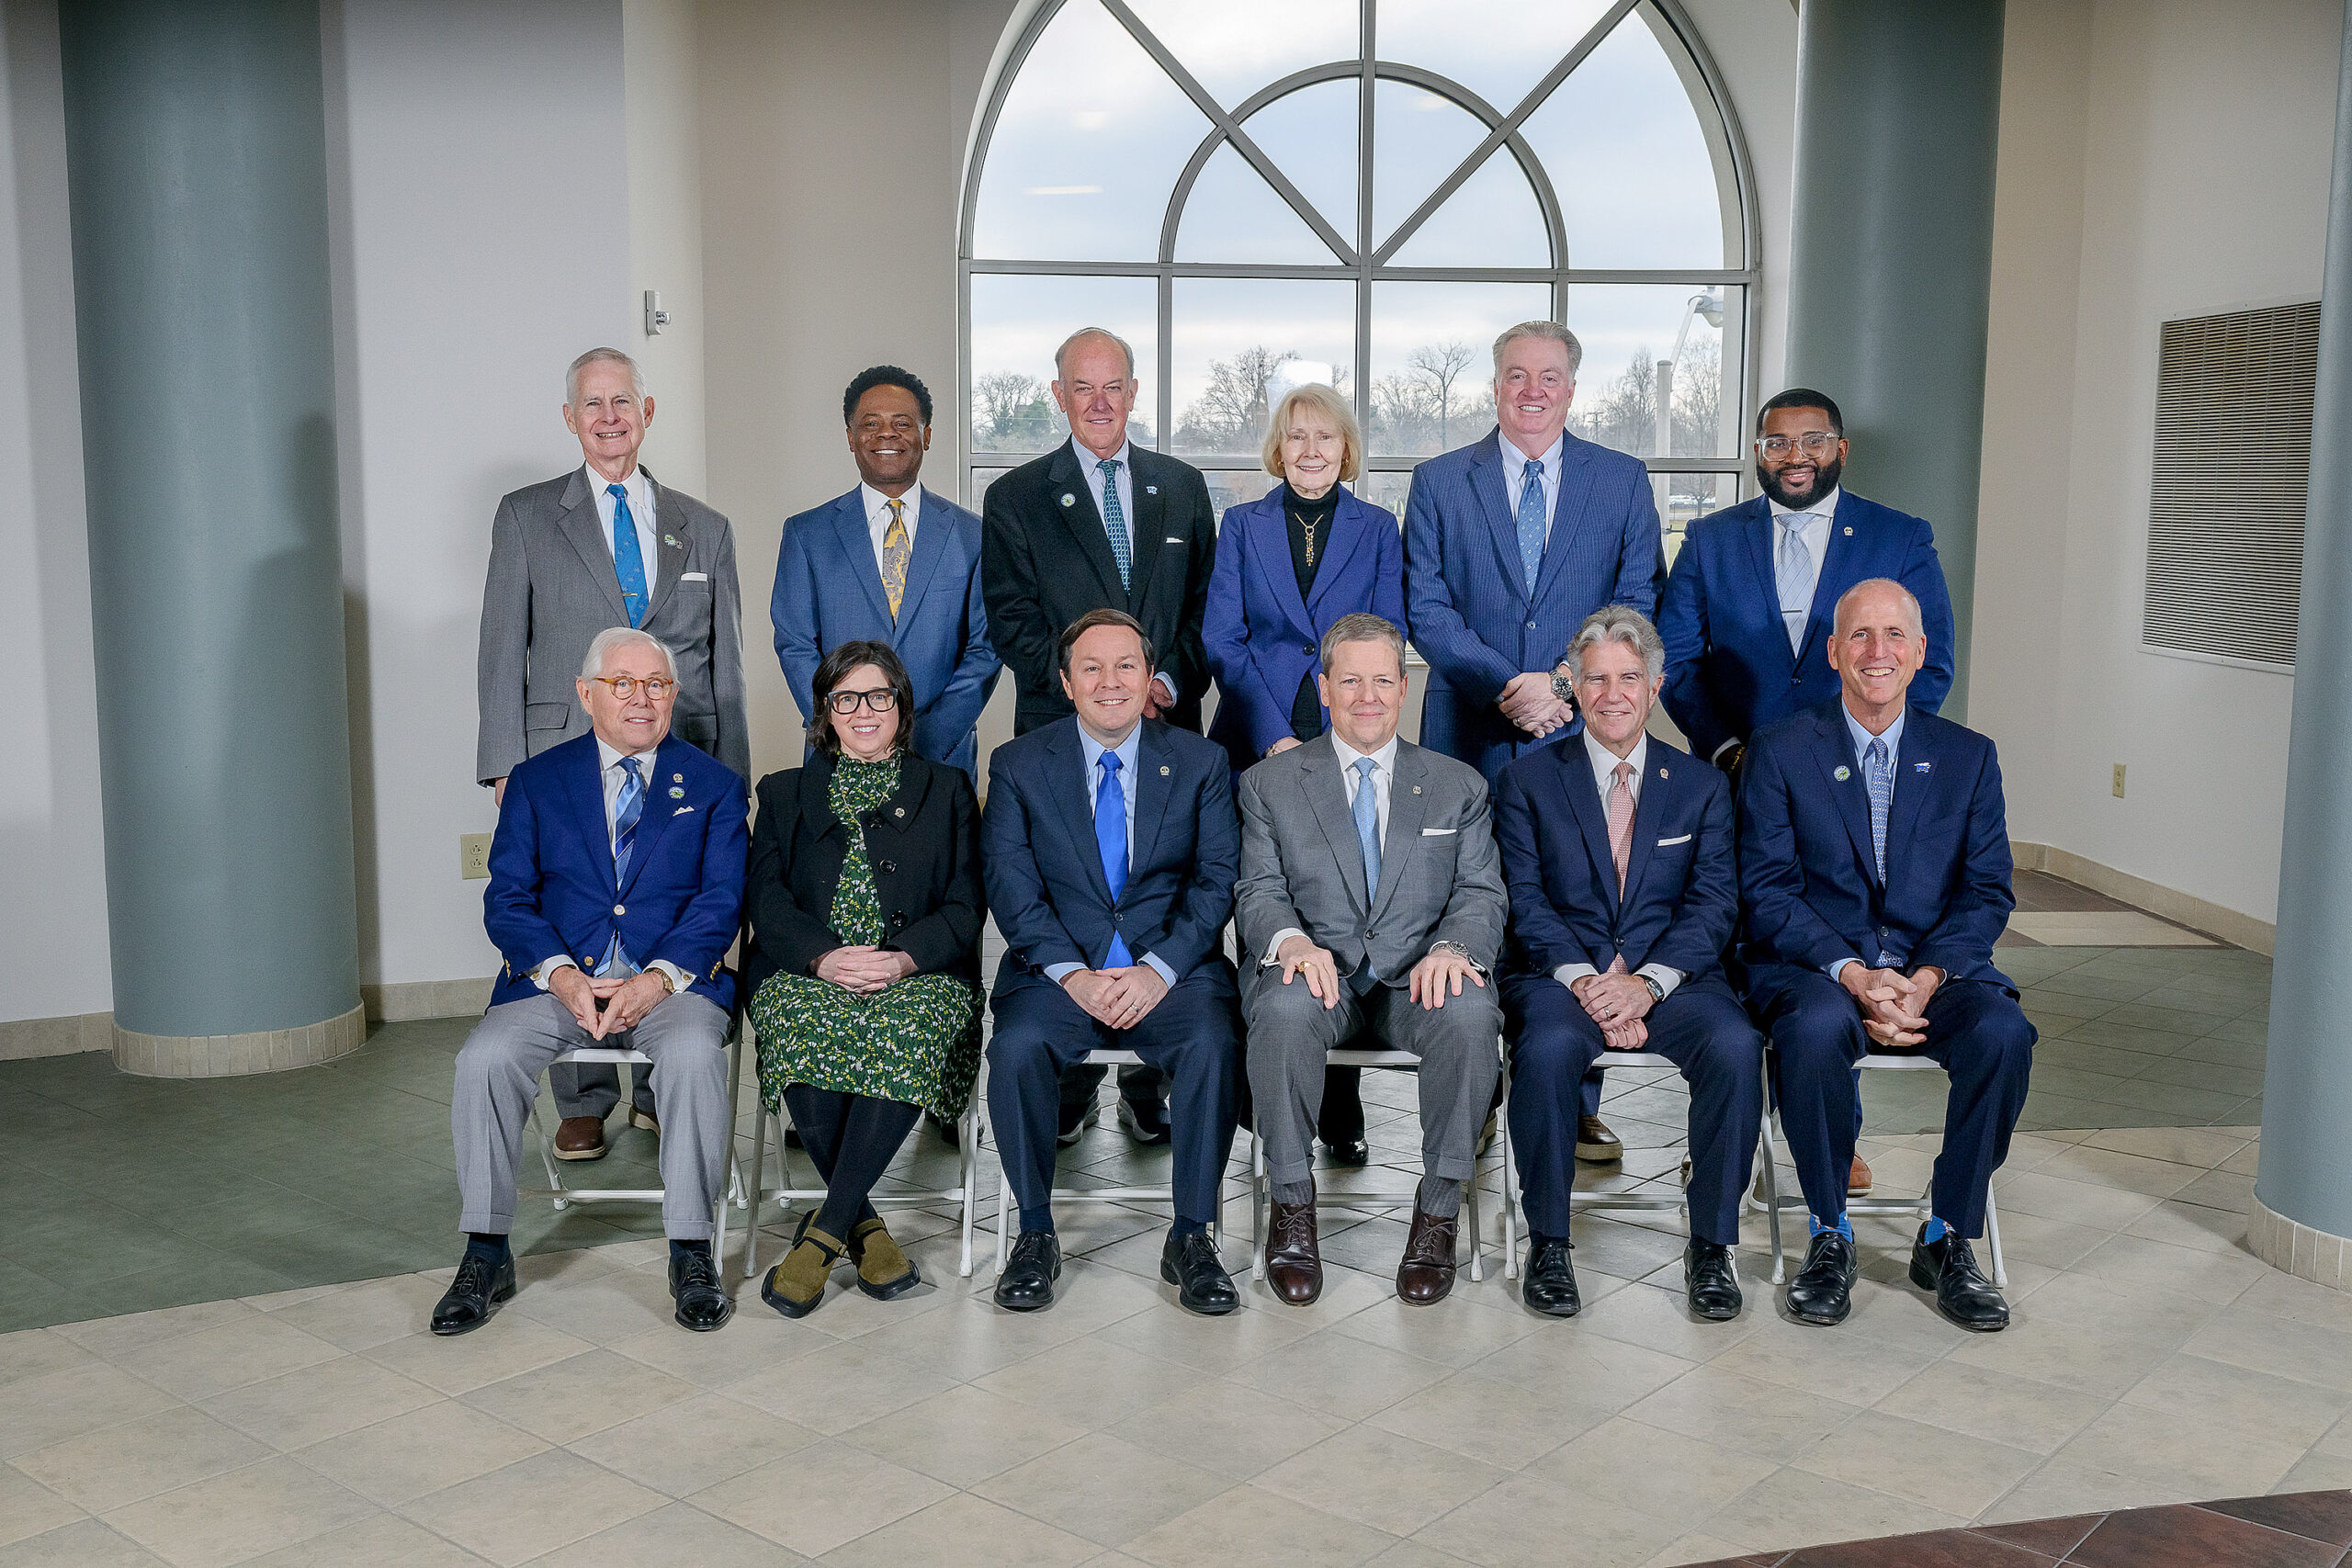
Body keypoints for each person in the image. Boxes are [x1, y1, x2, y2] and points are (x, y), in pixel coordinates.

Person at [1657, 389, 1959, 1201]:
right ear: (1758, 451)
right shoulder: (1713, 540)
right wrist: (1724, 746)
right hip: (1732, 777)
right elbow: (1678, 658)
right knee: (1730, 956)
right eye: (1778, 442)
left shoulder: (1899, 537)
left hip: (1850, 787)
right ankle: (1719, 1136)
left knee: (1839, 942)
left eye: (1812, 440)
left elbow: (1927, 665)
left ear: (1840, 448)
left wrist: (1862, 741)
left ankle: (1832, 1131)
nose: (1796, 456)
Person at [1405, 320, 1667, 1169]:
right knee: (1467, 904)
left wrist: (1558, 684)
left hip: (1580, 728)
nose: (1532, 390)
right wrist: (1505, 683)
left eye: (1548, 377)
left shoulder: (1622, 482)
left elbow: (1635, 597)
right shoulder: (1441, 481)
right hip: (1469, 730)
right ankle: (1473, 1096)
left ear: (1572, 388)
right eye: (1516, 375)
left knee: (1584, 897)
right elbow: (1428, 605)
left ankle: (1573, 1100)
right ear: (1494, 384)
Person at [476, 347, 749, 1160]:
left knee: (669, 907)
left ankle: (665, 1087)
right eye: (591, 404)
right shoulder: (526, 516)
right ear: (570, 419)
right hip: (563, 744)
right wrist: (501, 761)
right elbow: (501, 647)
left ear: (647, 411)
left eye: (621, 401)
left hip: (684, 748)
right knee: (574, 904)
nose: (607, 417)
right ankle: (586, 1094)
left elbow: (724, 660)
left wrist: (731, 768)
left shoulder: (705, 525)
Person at [1738, 579, 2031, 1333]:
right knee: (1807, 1033)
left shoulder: (1968, 758)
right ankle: (1829, 1230)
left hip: (1936, 972)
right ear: (1833, 652)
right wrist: (1856, 974)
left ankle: (1948, 1234)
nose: (1878, 651)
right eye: (1860, 636)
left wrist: (1927, 977)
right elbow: (1767, 891)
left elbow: (1987, 892)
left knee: (2003, 1035)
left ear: (1920, 651)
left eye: (1895, 635)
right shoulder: (1780, 752)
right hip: (1819, 972)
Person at [435, 627, 745, 1337]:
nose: (642, 699)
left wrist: (660, 978)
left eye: (658, 685)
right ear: (586, 693)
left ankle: (692, 1249)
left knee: (697, 1055)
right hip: (558, 982)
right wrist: (562, 974)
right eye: (623, 684)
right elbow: (507, 898)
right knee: (483, 1058)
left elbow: (720, 902)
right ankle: (486, 1249)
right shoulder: (539, 781)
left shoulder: (714, 785)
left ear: (674, 696)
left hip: (673, 984)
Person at [983, 327, 1218, 1144]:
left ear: (1134, 390)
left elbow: (1201, 612)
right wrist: (1099, 691)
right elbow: (1011, 622)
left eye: (1112, 385)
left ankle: (1152, 1082)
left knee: (1154, 894)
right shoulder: (1016, 497)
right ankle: (1073, 1081)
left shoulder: (1182, 487)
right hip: (1062, 736)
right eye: (1082, 387)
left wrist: (1159, 683)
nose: (1099, 401)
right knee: (1079, 900)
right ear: (1059, 395)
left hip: (1166, 732)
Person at [1494, 607, 1762, 1322]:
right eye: (1597, 679)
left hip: (1670, 978)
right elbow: (1524, 899)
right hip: (1561, 977)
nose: (1613, 694)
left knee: (1736, 1046)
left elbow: (1714, 903)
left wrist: (1645, 984)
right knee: (1548, 1049)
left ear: (1656, 686)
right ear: (1573, 687)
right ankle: (1549, 1241)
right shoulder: (1525, 782)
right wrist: (1586, 979)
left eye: (1630, 678)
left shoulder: (1703, 785)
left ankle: (1712, 1245)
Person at [1236, 614, 1505, 1307]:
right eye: (1349, 680)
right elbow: (1258, 889)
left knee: (1472, 1011)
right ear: (1323, 688)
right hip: (1318, 973)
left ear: (1404, 687)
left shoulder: (1457, 785)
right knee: (1284, 1007)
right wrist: (1289, 941)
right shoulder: (1271, 783)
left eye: (1383, 679)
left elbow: (1480, 892)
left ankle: (1438, 1214)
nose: (1368, 695)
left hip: (1416, 978)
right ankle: (1292, 1207)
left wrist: (1452, 948)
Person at [980, 610, 1242, 1316]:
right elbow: (1012, 886)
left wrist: (1158, 969)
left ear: (1149, 676)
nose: (1110, 682)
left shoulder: (1199, 762)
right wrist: (1075, 973)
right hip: (1060, 974)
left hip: (1172, 973)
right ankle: (1035, 1232)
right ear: (1065, 683)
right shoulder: (1017, 764)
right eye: (1090, 668)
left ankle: (1192, 1234)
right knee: (1016, 1049)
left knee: (1214, 1044)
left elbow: (1216, 881)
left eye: (1126, 665)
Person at [741, 642, 984, 1318]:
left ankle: (822, 1233)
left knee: (909, 1023)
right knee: (799, 1019)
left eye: (879, 695)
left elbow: (967, 906)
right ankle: (865, 1225)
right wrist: (824, 959)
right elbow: (767, 902)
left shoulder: (948, 789)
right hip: (807, 969)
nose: (864, 710)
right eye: (846, 698)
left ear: (901, 706)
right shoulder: (783, 793)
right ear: (825, 710)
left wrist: (902, 958)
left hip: (917, 970)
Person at [1204, 382, 1405, 1168]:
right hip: (1256, 731)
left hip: (1349, 729)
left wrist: (1326, 733)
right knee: (1259, 902)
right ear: (1277, 450)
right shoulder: (1243, 525)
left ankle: (1339, 1098)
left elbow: (1384, 632)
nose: (1311, 451)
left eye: (1325, 438)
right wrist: (1276, 733)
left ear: (1345, 448)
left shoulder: (1378, 527)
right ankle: (1263, 1087)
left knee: (1343, 901)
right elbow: (1225, 638)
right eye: (1296, 438)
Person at [773, 366, 1001, 777]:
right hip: (837, 754)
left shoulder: (974, 535)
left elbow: (984, 650)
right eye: (870, 424)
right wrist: (844, 730)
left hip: (941, 758)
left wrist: (929, 737)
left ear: (926, 435)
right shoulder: (806, 534)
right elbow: (795, 645)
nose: (886, 434)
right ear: (850, 437)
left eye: (902, 423)